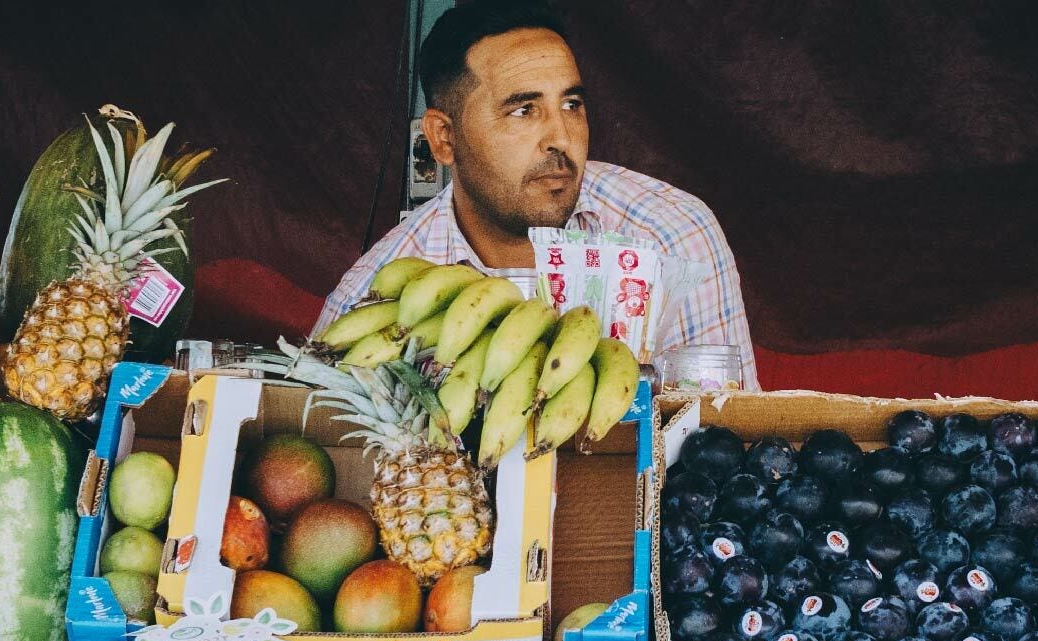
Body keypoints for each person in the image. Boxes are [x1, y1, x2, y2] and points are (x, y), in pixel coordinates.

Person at [314, 0, 758, 387]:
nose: (560, 138)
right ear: (443, 138)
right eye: (524, 110)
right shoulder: (377, 294)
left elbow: (725, 438)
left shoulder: (673, 234)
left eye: (572, 105)